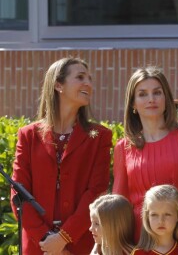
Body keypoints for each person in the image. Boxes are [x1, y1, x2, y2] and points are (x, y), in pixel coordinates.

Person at [10, 57, 112, 255]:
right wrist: (47, 241)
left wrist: (64, 238)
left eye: (90, 79)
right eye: (80, 77)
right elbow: (18, 194)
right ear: (58, 85)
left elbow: (96, 193)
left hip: (81, 246)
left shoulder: (100, 137)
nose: (88, 84)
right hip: (38, 247)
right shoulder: (28, 135)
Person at [113, 66, 178, 255]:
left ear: (166, 98)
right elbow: (120, 204)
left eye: (157, 92)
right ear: (133, 103)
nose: (151, 99)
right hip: (138, 242)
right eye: (142, 94)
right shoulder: (123, 147)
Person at [132, 184, 178, 255]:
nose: (160, 221)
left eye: (167, 214)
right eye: (154, 215)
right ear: (147, 217)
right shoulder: (138, 253)